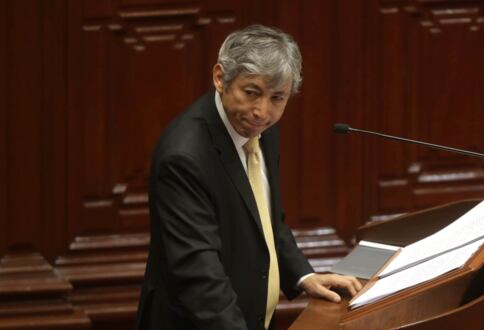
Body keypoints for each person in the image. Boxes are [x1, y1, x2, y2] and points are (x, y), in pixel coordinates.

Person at [136, 24, 362, 330]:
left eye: (277, 98)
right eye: (251, 92)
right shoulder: (183, 158)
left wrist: (303, 275)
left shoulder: (260, 129)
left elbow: (267, 219)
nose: (262, 111)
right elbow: (199, 277)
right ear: (220, 78)